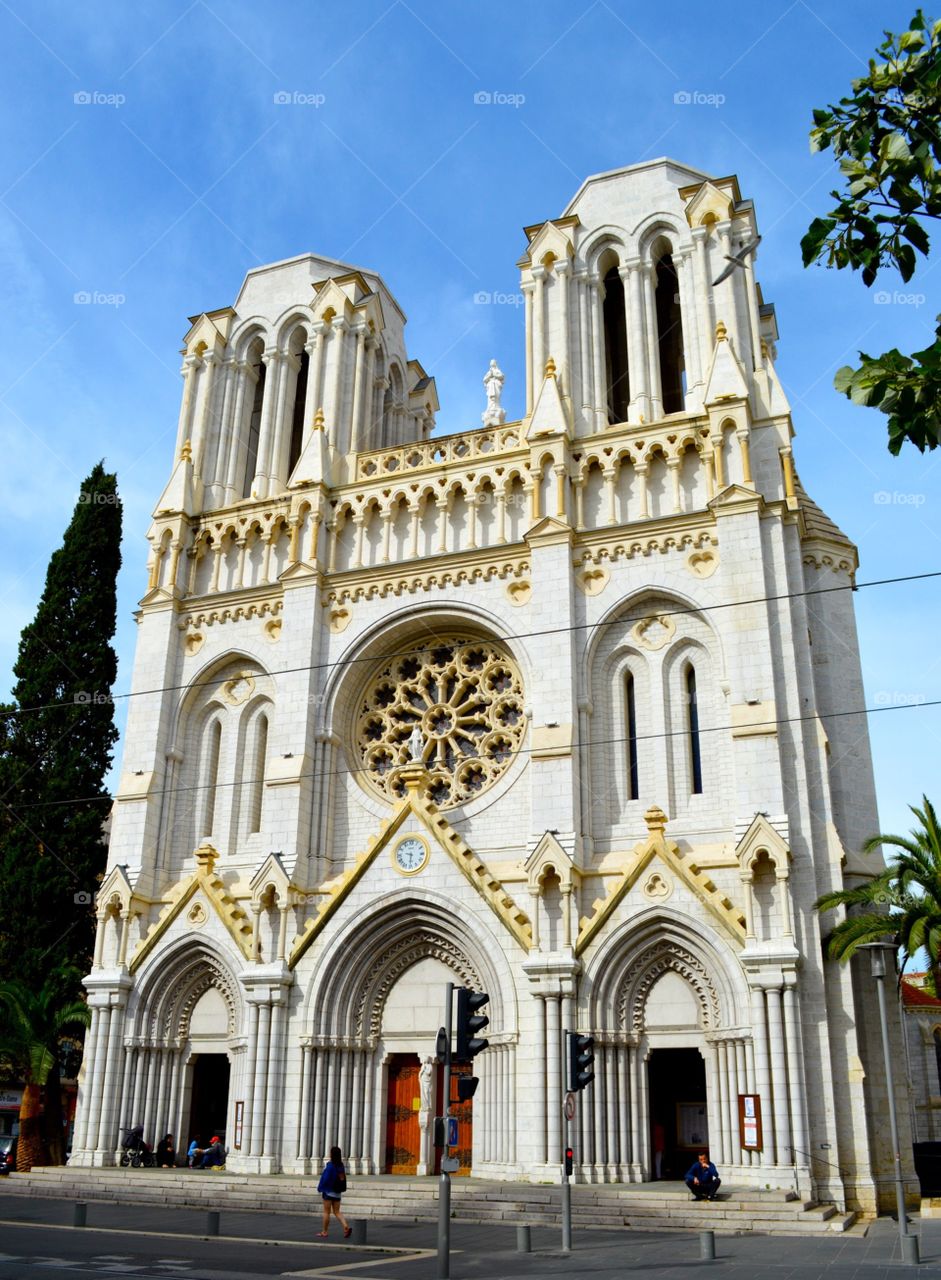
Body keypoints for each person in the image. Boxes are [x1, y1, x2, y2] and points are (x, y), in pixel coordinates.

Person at [317, 1146, 351, 1239]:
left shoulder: (330, 1165)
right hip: (337, 1192)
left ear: (332, 1154)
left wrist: (321, 1188)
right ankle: (345, 1226)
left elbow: (326, 1178)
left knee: (326, 1212)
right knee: (337, 1212)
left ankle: (324, 1231)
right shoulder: (341, 1166)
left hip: (328, 1191)